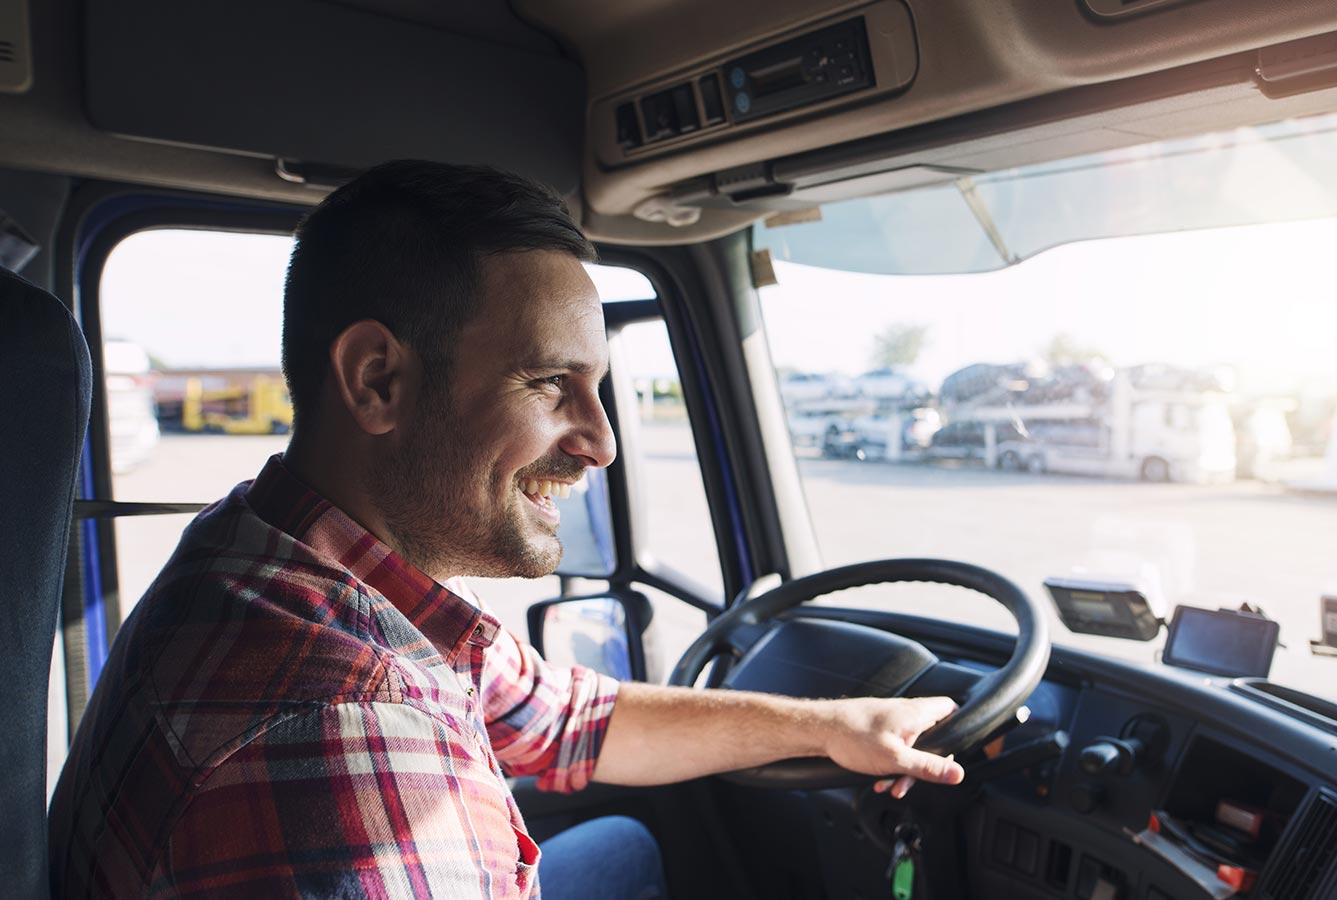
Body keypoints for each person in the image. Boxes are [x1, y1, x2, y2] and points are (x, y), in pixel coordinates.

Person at [48, 160, 965, 899]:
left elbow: (567, 720)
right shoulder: (347, 738)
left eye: (599, 388)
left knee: (620, 847)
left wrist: (837, 724)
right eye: (548, 384)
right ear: (376, 381)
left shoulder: (281, 549)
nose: (601, 442)